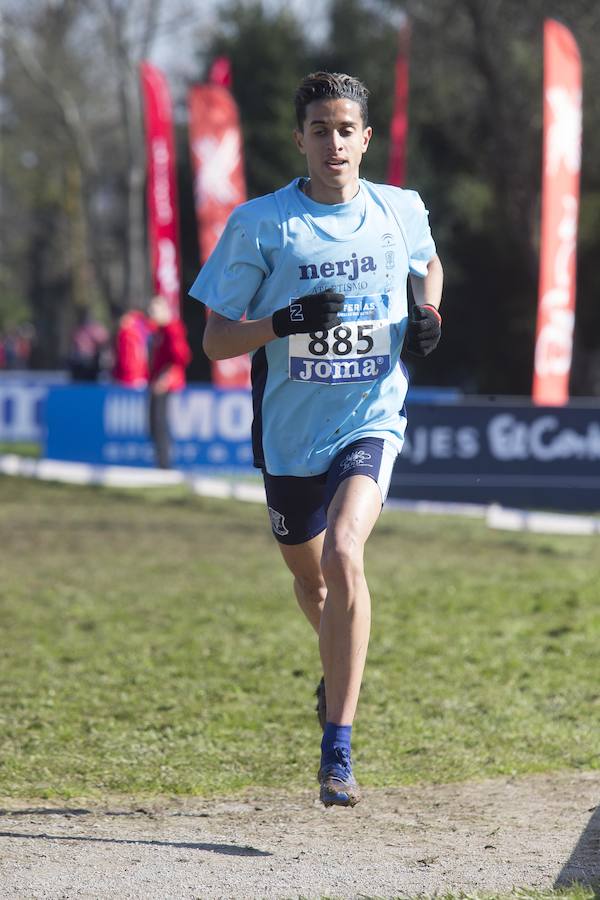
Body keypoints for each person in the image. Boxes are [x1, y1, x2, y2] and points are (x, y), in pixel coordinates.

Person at [189, 72, 443, 808]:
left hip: (370, 417)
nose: (333, 142)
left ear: (366, 139)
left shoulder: (399, 209)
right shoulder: (261, 224)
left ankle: (339, 750)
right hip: (289, 438)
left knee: (344, 550)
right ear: (298, 139)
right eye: (319, 129)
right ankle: (338, 666)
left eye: (346, 129)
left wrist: (428, 313)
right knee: (316, 584)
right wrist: (284, 322)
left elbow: (430, 266)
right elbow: (213, 341)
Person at [147, 294, 191, 469]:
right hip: (157, 382)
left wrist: (166, 378)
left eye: (155, 309)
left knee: (160, 423)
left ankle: (164, 465)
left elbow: (181, 357)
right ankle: (160, 462)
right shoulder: (158, 331)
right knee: (153, 424)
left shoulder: (172, 329)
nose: (151, 313)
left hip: (165, 383)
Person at [112, 309, 151, 388]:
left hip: (130, 378)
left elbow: (128, 359)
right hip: (139, 376)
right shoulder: (142, 329)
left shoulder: (127, 334)